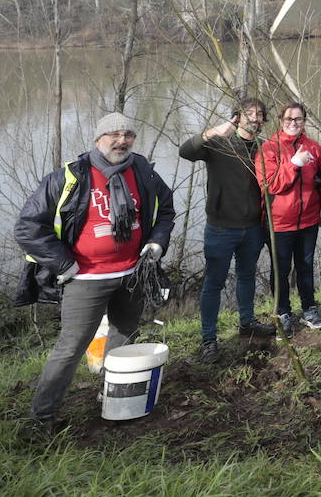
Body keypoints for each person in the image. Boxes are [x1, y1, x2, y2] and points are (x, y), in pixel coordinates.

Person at [14, 112, 175, 432]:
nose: (122, 140)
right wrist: (63, 264)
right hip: (85, 278)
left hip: (132, 274)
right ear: (97, 140)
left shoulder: (142, 171)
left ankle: (111, 393)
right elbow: (28, 227)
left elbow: (166, 209)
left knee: (125, 335)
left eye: (128, 134)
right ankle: (42, 418)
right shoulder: (71, 176)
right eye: (113, 134)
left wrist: (157, 242)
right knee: (71, 346)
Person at [180, 97, 274, 363]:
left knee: (247, 277)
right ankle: (209, 339)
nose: (255, 118)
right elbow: (185, 151)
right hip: (221, 228)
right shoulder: (219, 144)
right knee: (214, 284)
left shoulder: (264, 148)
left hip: (252, 228)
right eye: (249, 114)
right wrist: (211, 132)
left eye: (259, 114)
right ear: (237, 117)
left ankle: (247, 324)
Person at [256, 102, 321, 337]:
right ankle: (283, 313)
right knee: (281, 269)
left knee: (306, 266)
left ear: (304, 121)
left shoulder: (314, 148)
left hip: (308, 220)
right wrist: (294, 164)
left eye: (298, 119)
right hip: (279, 222)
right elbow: (272, 184)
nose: (293, 124)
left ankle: (309, 308)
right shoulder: (269, 148)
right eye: (288, 119)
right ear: (280, 121)